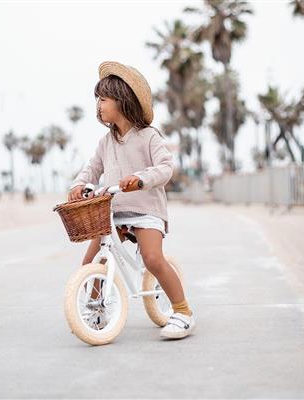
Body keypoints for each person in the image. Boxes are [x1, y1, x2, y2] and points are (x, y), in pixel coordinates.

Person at [68, 61, 195, 340]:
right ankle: (95, 310)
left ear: (122, 101)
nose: (98, 105)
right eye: (97, 100)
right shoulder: (106, 142)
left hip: (146, 209)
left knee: (152, 258)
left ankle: (183, 312)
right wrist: (79, 184)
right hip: (114, 212)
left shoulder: (148, 136)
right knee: (92, 260)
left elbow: (165, 168)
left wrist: (141, 179)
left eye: (103, 99)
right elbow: (92, 168)